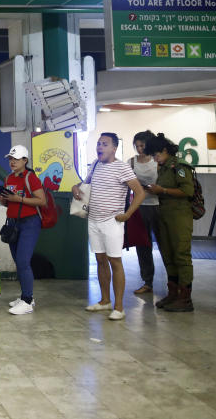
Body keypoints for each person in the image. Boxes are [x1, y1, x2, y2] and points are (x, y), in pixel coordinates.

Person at [73, 133, 146, 320]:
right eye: (98, 144)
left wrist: (127, 214)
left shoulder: (122, 168)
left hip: (112, 221)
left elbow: (140, 193)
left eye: (104, 144)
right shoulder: (95, 165)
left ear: (114, 148)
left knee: (115, 262)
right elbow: (85, 184)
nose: (100, 147)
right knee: (100, 260)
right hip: (93, 220)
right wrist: (76, 187)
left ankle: (119, 307)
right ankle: (105, 301)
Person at [144, 133, 196, 312]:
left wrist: (163, 190)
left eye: (156, 155)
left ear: (165, 150)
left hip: (179, 216)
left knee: (181, 255)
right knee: (168, 255)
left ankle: (185, 298)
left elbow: (188, 191)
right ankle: (173, 293)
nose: (154, 158)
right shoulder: (164, 167)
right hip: (164, 215)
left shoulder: (179, 167)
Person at [0, 145, 47, 316]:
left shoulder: (30, 178)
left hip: (29, 223)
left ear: (25, 160)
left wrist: (19, 198)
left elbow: (41, 200)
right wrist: (2, 199)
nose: (12, 162)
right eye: (10, 159)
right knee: (19, 262)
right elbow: (9, 203)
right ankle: (26, 297)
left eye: (16, 159)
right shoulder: (8, 178)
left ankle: (27, 300)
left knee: (23, 261)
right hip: (13, 224)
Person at [129, 130, 160, 295]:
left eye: (142, 145)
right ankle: (147, 281)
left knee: (165, 244)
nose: (139, 149)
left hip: (159, 205)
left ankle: (174, 283)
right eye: (137, 145)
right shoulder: (131, 162)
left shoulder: (158, 161)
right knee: (143, 246)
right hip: (140, 207)